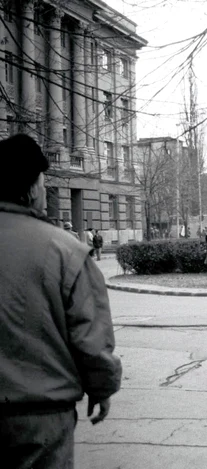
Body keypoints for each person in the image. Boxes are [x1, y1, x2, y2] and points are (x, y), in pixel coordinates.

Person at [0, 134, 122, 467]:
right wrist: (101, 388)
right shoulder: (65, 251)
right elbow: (90, 336)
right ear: (33, 187)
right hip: (39, 418)